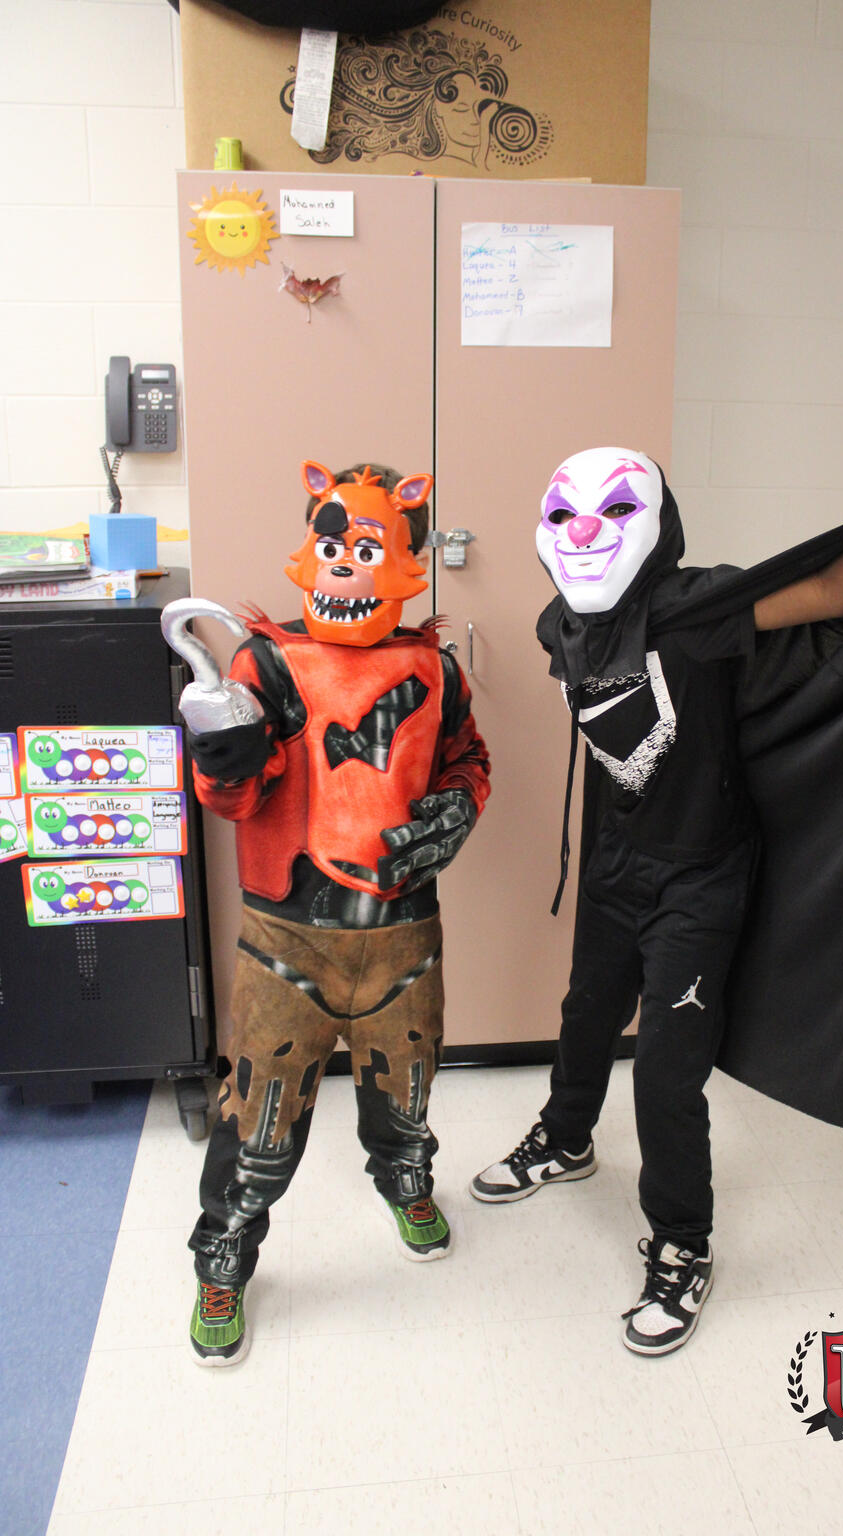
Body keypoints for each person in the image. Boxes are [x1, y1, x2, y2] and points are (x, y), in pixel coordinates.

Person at [470, 446, 843, 1357]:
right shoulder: (562, 627)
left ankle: (682, 1243)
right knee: (587, 1012)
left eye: (613, 512)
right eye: (565, 516)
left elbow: (828, 593)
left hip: (702, 873)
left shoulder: (698, 610)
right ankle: (565, 1137)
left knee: (667, 1071)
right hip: (619, 861)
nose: (585, 531)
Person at [175, 461, 490, 1365]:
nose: (345, 564)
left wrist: (458, 807)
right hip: (288, 941)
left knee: (408, 1092)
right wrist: (224, 759)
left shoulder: (435, 668)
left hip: (404, 937)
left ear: (405, 559)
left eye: (367, 547)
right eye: (332, 543)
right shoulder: (265, 663)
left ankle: (405, 1181)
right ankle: (225, 1256)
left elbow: (468, 757)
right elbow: (233, 803)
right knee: (260, 1119)